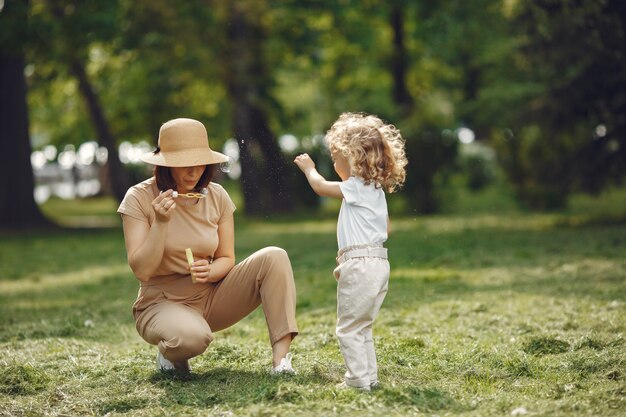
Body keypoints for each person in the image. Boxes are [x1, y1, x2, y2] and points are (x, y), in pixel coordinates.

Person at [117, 118, 298, 373]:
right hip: (161, 301)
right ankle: (171, 353)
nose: (194, 172)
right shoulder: (138, 198)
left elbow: (226, 257)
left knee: (274, 256)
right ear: (166, 164)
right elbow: (142, 270)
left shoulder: (218, 196)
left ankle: (281, 361)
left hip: (212, 294)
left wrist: (211, 272)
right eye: (185, 165)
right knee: (193, 338)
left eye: (200, 163)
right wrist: (160, 222)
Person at [294, 112, 407, 391]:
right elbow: (387, 228)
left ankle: (356, 381)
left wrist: (309, 168)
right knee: (362, 327)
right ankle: (369, 377)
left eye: (336, 158)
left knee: (348, 328)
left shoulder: (356, 187)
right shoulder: (376, 190)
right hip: (378, 263)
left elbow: (320, 187)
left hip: (360, 264)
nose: (334, 163)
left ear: (354, 157)